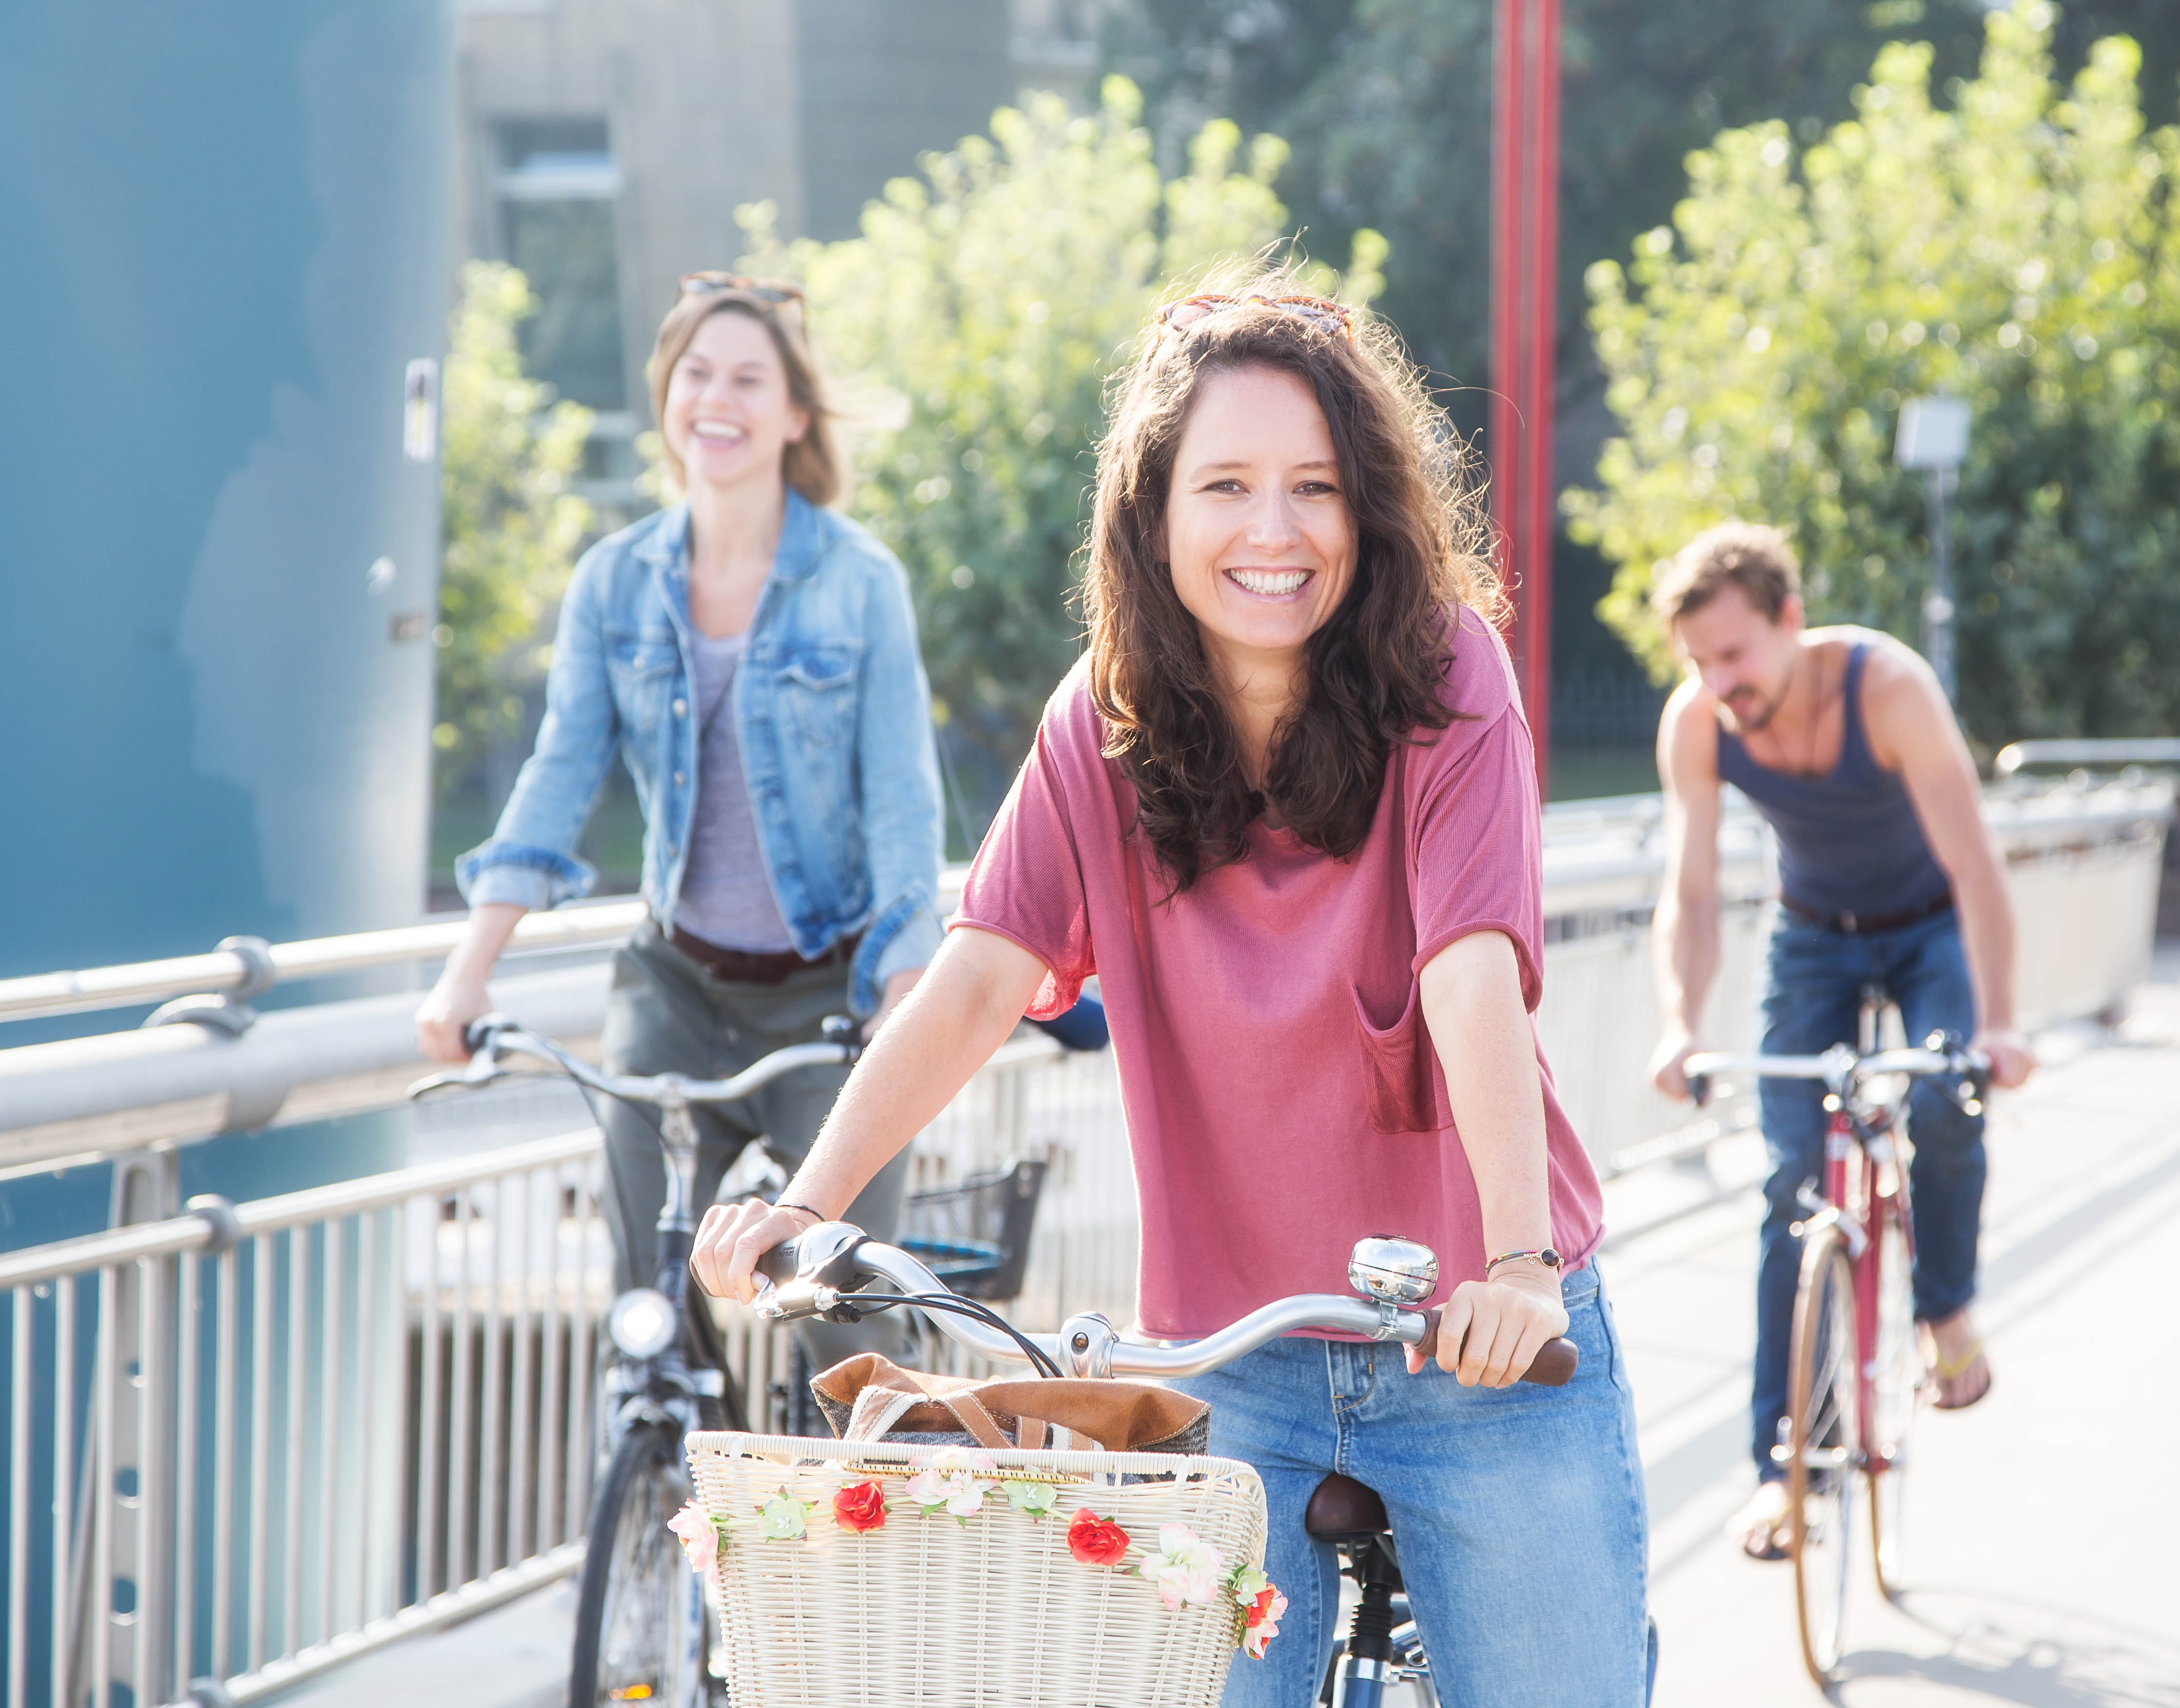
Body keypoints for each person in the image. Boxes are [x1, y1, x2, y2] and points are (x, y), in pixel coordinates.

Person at [692, 280, 1649, 1707]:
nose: (1275, 530)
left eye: (1315, 486)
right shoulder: (1105, 717)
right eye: (1227, 485)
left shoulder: (1450, 674)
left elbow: (1471, 974)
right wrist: (809, 1203)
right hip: (1235, 1369)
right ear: (1154, 512)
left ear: (1368, 509)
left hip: (1476, 1353)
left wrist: (1517, 1264)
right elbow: (980, 976)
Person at [417, 272, 943, 1361]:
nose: (719, 397)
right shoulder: (615, 583)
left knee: (840, 1324)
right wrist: (468, 970)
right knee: (647, 1303)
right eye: (696, 373)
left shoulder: (860, 583)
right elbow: (559, 776)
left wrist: (904, 996)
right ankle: (671, 1489)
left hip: (827, 994)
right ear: (666, 398)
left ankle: (838, 1508)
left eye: (749, 377)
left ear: (794, 414)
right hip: (677, 983)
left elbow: (903, 801)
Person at [1642, 522, 2035, 1562]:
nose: (1720, 682)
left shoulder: (1888, 690)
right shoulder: (1699, 722)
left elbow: (1979, 870)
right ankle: (1787, 1474)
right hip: (1812, 935)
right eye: (1699, 662)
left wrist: (1998, 1020)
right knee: (1790, 1190)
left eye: (1734, 654)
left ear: (1789, 620)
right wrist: (1680, 1024)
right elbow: (1687, 892)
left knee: (1947, 1102)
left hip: (1930, 926)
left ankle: (1945, 1311)